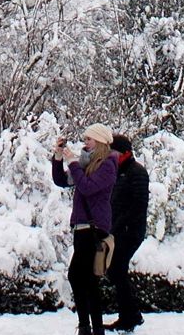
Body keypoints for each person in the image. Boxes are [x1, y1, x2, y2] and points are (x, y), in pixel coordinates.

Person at [50, 123, 119, 335]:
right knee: (86, 278)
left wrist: (72, 162)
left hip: (94, 227)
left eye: (89, 139)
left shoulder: (108, 164)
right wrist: (59, 157)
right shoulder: (84, 163)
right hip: (81, 227)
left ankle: (87, 326)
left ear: (100, 141)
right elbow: (61, 181)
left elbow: (88, 188)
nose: (85, 143)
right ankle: (91, 327)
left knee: (78, 275)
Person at [105, 134, 149, 330]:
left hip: (130, 231)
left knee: (117, 269)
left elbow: (138, 205)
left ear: (125, 153)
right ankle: (132, 315)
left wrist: (121, 226)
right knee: (116, 270)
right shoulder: (117, 171)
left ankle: (129, 317)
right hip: (117, 229)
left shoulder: (137, 172)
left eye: (113, 152)